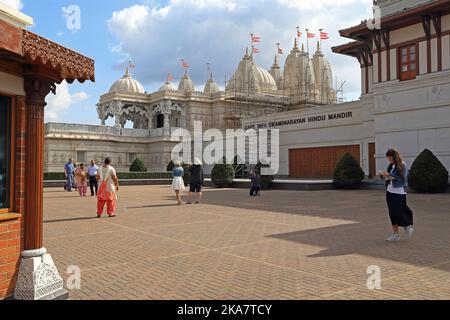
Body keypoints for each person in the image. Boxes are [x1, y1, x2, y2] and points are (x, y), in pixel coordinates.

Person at [379, 149, 414, 242]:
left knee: (399, 211)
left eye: (390, 158)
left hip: (399, 192)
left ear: (394, 156)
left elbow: (402, 179)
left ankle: (407, 225)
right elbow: (389, 176)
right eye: (388, 158)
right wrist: (383, 175)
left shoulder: (402, 165)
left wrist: (390, 175)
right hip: (390, 191)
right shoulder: (391, 165)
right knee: (392, 213)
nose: (389, 160)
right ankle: (395, 234)